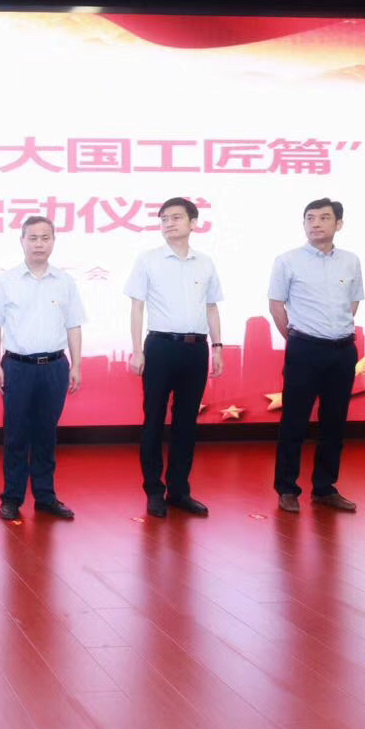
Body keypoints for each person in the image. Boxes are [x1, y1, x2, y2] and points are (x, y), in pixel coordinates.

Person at [124, 197, 224, 518]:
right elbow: (137, 307)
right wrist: (137, 350)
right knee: (153, 420)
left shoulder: (205, 263)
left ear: (193, 223)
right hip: (160, 347)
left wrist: (217, 346)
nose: (169, 223)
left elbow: (211, 307)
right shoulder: (148, 260)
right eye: (164, 219)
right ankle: (154, 491)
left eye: (176, 217)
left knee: (186, 423)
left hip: (196, 348)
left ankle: (179, 491)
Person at [0, 216, 83, 521]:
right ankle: (12, 498)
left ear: (53, 241)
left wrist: (76, 365)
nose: (39, 244)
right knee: (16, 435)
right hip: (17, 366)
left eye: (45, 238)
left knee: (46, 434)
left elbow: (74, 326)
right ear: (22, 241)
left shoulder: (65, 282)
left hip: (55, 367)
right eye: (33, 238)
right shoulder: (7, 281)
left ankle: (45, 496)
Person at [268, 198, 364, 514]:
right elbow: (276, 306)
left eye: (324, 218)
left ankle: (325, 488)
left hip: (342, 351)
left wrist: (334, 331)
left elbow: (352, 303)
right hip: (304, 349)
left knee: (334, 422)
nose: (316, 224)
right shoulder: (287, 261)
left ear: (339, 224)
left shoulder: (350, 261)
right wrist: (299, 338)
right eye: (310, 218)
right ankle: (287, 488)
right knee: (294, 421)